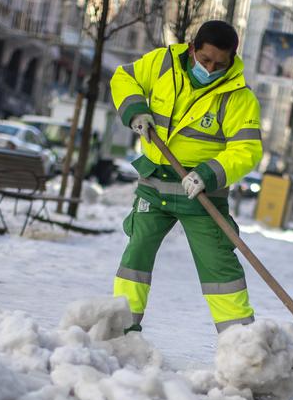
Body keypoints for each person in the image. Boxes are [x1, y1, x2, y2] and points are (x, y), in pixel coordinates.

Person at [108, 21, 263, 334]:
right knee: (137, 254)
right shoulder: (162, 63)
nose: (211, 68)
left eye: (220, 64)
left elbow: (247, 149)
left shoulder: (238, 97)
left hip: (202, 195)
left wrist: (209, 173)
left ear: (232, 59)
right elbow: (124, 77)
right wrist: (136, 110)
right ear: (192, 49)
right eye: (205, 60)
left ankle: (241, 343)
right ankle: (122, 329)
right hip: (154, 185)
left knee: (219, 266)